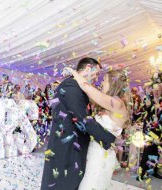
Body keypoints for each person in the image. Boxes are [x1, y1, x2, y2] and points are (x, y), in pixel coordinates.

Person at [40, 58, 116, 190]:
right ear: (87, 68)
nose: (96, 78)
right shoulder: (71, 86)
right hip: (67, 148)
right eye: (96, 73)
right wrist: (108, 138)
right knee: (63, 183)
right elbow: (83, 119)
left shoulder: (76, 86)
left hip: (71, 146)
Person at [65, 66, 131, 190]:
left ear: (113, 83)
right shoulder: (111, 103)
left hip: (101, 157)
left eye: (105, 80)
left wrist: (74, 72)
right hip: (94, 151)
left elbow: (88, 89)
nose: (102, 83)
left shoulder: (117, 103)